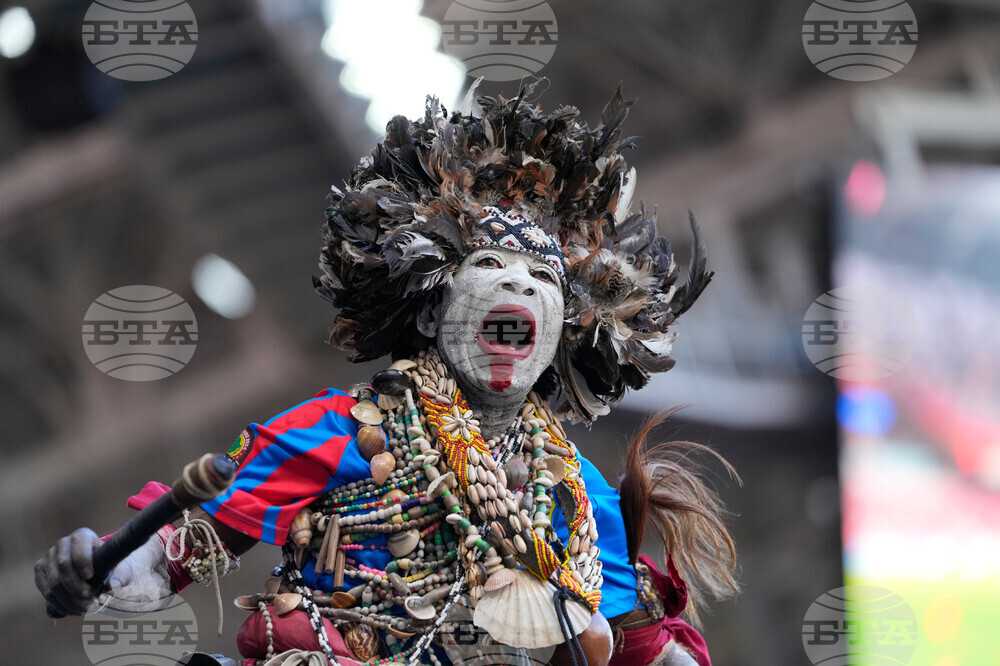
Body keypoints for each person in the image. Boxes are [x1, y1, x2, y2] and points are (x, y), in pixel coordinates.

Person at [36, 82, 738, 666]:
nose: (519, 288)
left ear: (559, 336)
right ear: (432, 316)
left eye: (541, 280)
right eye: (490, 267)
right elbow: (160, 562)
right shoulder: (339, 431)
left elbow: (646, 649)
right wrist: (98, 572)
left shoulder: (579, 499)